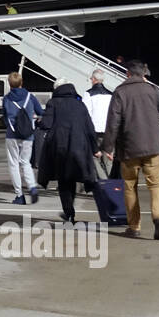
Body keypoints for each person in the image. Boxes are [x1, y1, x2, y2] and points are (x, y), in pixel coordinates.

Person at [102, 60, 159, 239]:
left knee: (130, 186)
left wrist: (108, 147)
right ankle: (158, 219)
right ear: (143, 74)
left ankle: (134, 226)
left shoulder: (120, 92)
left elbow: (113, 122)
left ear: (127, 73)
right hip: (153, 146)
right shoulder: (153, 89)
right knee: (155, 184)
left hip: (129, 148)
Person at [37, 81, 99, 225]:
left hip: (60, 147)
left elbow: (46, 124)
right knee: (73, 179)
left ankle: (69, 212)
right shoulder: (80, 104)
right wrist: (95, 149)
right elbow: (90, 127)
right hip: (79, 147)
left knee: (63, 180)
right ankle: (70, 211)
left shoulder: (53, 103)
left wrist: (39, 121)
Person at [2, 71, 44, 205]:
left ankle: (19, 195)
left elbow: (4, 118)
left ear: (9, 84)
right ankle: (32, 186)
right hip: (28, 135)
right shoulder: (30, 97)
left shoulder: (6, 99)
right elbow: (40, 112)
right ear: (21, 82)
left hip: (12, 135)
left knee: (13, 164)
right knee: (25, 162)